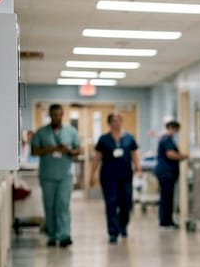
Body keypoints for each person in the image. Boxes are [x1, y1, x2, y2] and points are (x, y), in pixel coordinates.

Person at [28, 103, 81, 247]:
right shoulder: (41, 133)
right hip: (48, 176)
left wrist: (68, 150)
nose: (58, 118)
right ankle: (52, 235)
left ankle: (64, 235)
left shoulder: (71, 131)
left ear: (62, 115)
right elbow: (34, 151)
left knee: (63, 205)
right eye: (55, 115)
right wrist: (49, 149)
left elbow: (78, 150)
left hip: (65, 176)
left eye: (60, 115)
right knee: (49, 206)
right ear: (50, 115)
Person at [89, 112, 140, 243]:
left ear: (122, 122)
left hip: (125, 176)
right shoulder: (104, 139)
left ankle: (123, 225)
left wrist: (138, 168)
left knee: (126, 203)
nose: (116, 123)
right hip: (108, 176)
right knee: (111, 204)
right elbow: (97, 158)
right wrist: (92, 174)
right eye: (114, 121)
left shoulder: (129, 138)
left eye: (118, 120)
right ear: (109, 123)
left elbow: (134, 154)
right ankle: (113, 232)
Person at [155, 120, 188, 229]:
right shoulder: (167, 139)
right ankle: (165, 222)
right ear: (172, 128)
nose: (177, 132)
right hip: (166, 173)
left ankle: (167, 221)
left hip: (166, 172)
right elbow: (170, 154)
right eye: (177, 129)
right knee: (166, 197)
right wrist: (183, 156)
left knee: (167, 197)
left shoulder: (165, 139)